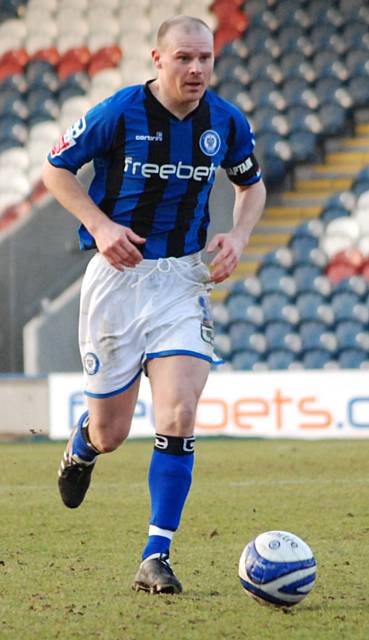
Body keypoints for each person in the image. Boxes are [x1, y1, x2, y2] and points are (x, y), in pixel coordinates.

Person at [42, 15, 266, 595]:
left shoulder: (226, 121)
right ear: (158, 60)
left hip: (182, 281)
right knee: (112, 431)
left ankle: (155, 554)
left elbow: (251, 183)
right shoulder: (120, 112)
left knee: (178, 415)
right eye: (185, 59)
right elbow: (55, 168)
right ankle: (84, 444)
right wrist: (99, 223)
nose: (196, 70)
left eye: (206, 59)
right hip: (118, 281)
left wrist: (237, 237)